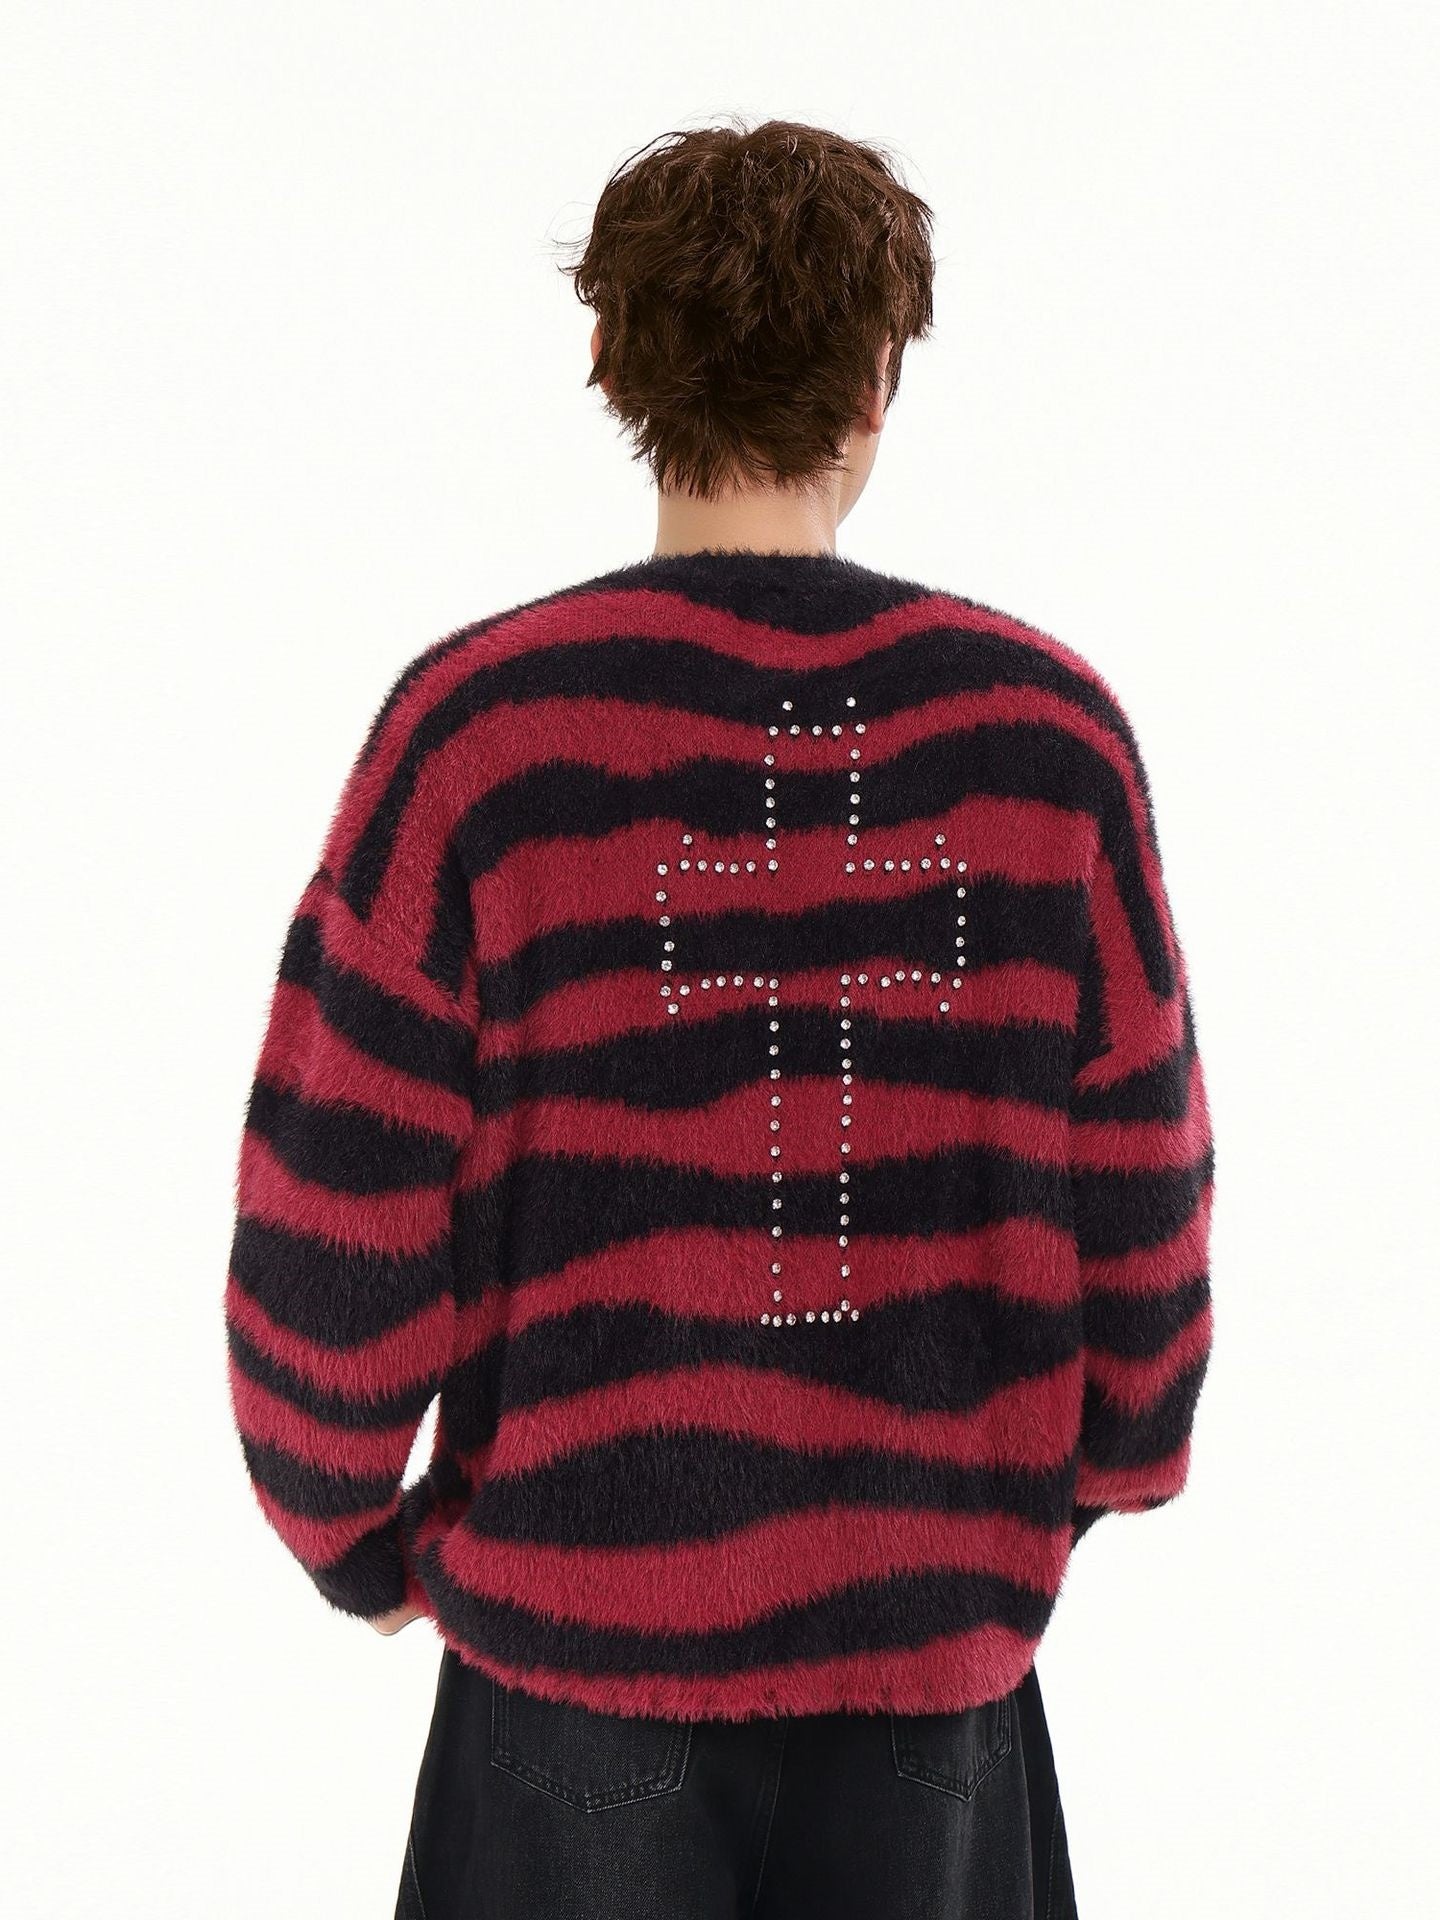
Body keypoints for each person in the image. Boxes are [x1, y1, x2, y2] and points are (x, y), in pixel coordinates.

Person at [224, 117, 1213, 1920]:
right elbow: (1144, 1203)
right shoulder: (1047, 740)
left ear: (611, 356)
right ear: (882, 375)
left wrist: (354, 1535)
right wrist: (1064, 1490)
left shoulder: (479, 736)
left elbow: (337, 1202)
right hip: (934, 1669)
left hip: (569, 1671)